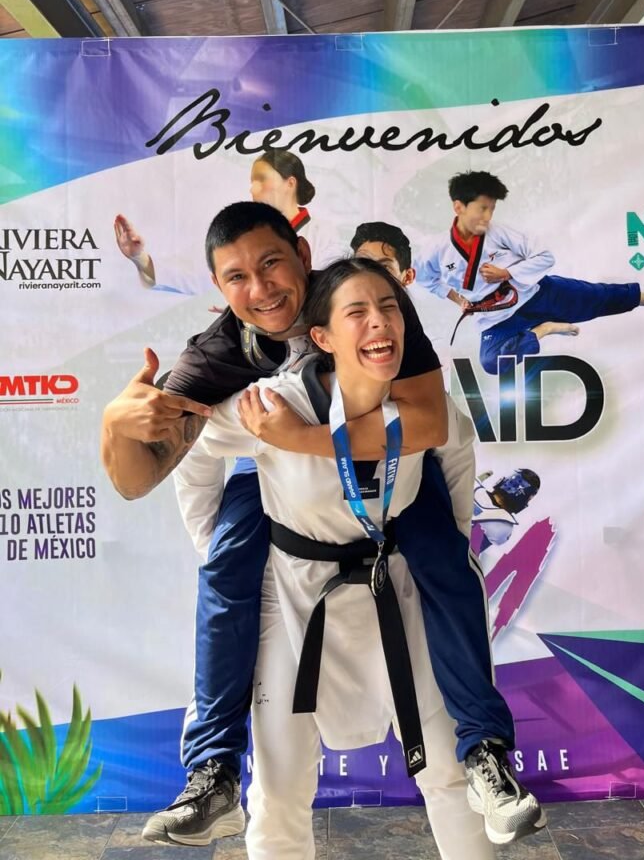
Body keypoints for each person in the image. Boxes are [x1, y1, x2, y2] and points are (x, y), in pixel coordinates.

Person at [100, 202, 538, 847]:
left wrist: (304, 441)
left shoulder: (367, 304)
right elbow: (146, 475)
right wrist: (115, 424)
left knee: (447, 557)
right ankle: (214, 770)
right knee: (227, 566)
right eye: (237, 277)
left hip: (388, 476)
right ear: (220, 287)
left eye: (272, 264)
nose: (261, 289)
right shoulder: (225, 361)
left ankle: (484, 753)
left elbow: (434, 425)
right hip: (281, 493)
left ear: (303, 257)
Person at [417, 171, 644, 375]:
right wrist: (458, 299)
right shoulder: (436, 250)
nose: (488, 216)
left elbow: (545, 257)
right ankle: (545, 329)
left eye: (492, 209)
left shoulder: (499, 233)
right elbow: (425, 278)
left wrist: (506, 273)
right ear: (459, 207)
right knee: (492, 363)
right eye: (482, 209)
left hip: (536, 293)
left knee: (598, 297)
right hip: (495, 317)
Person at [112, 149, 339, 294]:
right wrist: (139, 258)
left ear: (290, 183)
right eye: (252, 182)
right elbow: (194, 275)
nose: (253, 189)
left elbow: (328, 290)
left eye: (262, 180)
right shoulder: (241, 235)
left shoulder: (323, 233)